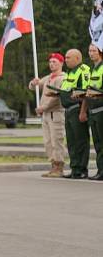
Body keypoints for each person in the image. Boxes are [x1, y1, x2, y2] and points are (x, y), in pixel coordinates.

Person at [29, 52, 67, 178]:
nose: (51, 64)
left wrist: (43, 108)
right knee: (48, 142)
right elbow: (35, 86)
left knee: (57, 141)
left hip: (55, 114)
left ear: (61, 63)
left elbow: (56, 98)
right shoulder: (49, 77)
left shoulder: (62, 78)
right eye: (50, 62)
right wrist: (33, 83)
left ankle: (59, 167)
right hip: (45, 114)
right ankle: (53, 165)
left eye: (54, 62)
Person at [58, 48, 91, 179]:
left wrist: (83, 111)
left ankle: (82, 169)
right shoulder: (70, 72)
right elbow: (68, 90)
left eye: (68, 58)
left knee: (80, 141)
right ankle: (75, 168)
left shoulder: (83, 70)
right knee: (71, 142)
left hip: (77, 109)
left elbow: (86, 92)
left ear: (77, 58)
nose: (66, 60)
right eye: (65, 57)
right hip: (68, 110)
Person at [83, 44, 103, 180]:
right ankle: (100, 170)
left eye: (93, 51)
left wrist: (97, 94)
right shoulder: (92, 70)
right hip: (93, 111)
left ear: (100, 52)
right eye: (89, 50)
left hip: (101, 111)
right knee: (97, 144)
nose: (91, 53)